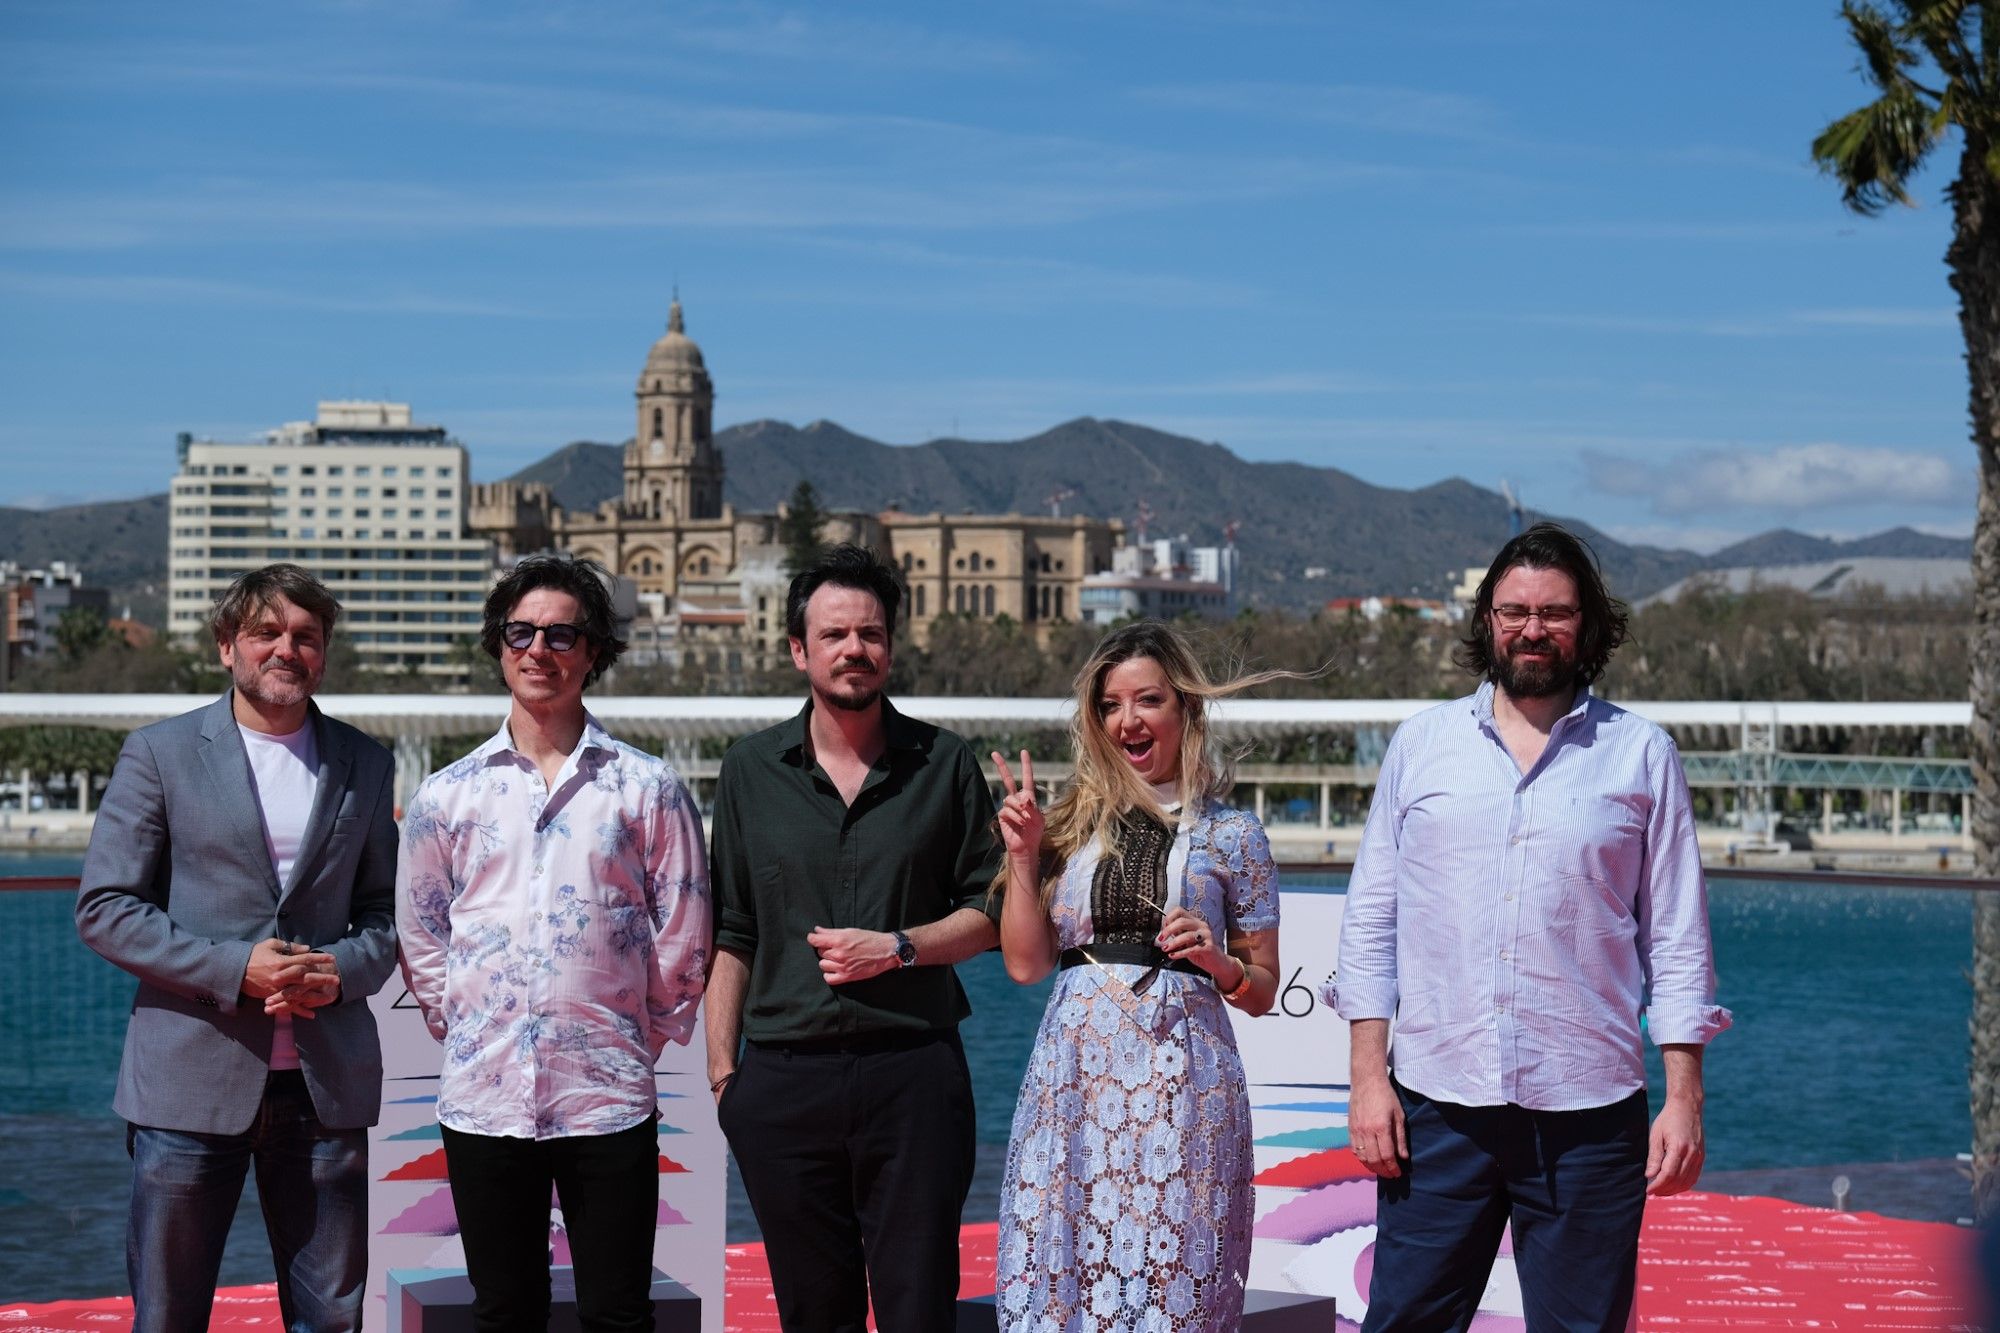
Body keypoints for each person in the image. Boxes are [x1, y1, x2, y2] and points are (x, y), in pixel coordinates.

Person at [1329, 521, 1731, 1332]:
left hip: (1590, 1115)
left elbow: (1678, 941)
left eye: (1555, 612)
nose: (1533, 629)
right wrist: (1369, 1079)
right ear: (1487, 621)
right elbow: (1372, 922)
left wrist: (1684, 1096)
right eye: (1514, 611)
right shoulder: (1422, 746)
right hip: (1437, 1108)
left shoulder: (1643, 754)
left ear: (1587, 626)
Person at [75, 564, 399, 1333]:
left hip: (324, 1094)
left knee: (331, 1321)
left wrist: (339, 973)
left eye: (306, 637)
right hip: (187, 1090)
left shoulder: (366, 760)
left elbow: (388, 916)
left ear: (322, 654)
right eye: (266, 632)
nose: (286, 649)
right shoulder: (160, 752)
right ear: (228, 645)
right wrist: (234, 968)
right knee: (168, 1318)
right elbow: (105, 907)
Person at [396, 555, 710, 1333]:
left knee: (618, 1313)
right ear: (499, 646)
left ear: (594, 650)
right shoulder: (447, 794)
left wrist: (642, 1033)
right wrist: (462, 1021)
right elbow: (421, 927)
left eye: (562, 633)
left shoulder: (648, 787)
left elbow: (684, 920)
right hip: (483, 1098)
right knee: (504, 1312)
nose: (540, 647)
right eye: (521, 631)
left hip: (608, 1095)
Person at [706, 543, 1001, 1332]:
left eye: (870, 633)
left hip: (915, 1077)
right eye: (834, 634)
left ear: (891, 646)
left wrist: (898, 946)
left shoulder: (945, 764)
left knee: (919, 1310)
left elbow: (991, 913)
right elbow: (731, 932)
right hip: (780, 1083)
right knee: (814, 1313)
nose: (854, 649)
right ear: (799, 648)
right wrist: (724, 1079)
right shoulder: (748, 771)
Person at [990, 621, 1286, 1331]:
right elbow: (1026, 964)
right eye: (1111, 705)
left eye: (1147, 699)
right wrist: (1025, 857)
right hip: (1076, 1081)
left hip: (1185, 1085)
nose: (1128, 719)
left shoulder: (1235, 835)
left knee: (1174, 1270)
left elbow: (1264, 986)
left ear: (1184, 707)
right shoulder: (1063, 825)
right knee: (1063, 1276)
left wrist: (1218, 962)